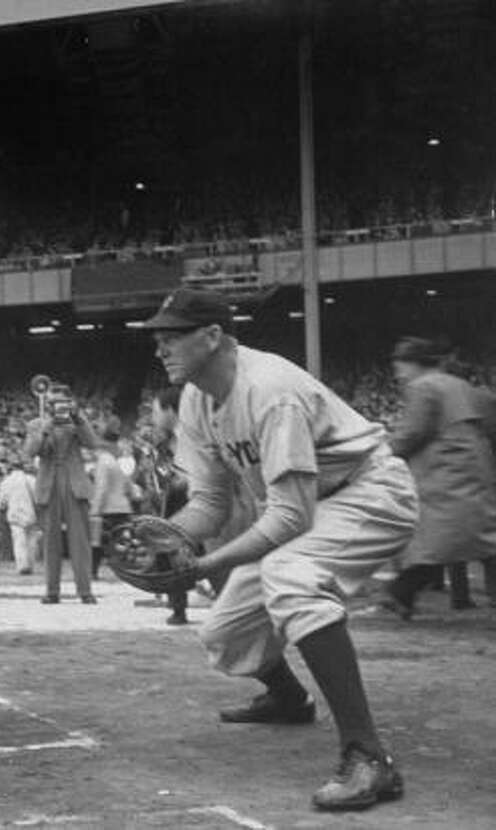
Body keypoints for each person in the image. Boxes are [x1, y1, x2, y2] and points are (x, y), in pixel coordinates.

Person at [140, 288, 418, 812]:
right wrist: (167, 536)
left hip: (370, 490)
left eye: (172, 335)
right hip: (320, 504)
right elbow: (211, 504)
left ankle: (368, 756)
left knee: (290, 574)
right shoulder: (198, 399)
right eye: (158, 337)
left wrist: (203, 564)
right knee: (224, 632)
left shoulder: (269, 388)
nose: (161, 347)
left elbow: (291, 516)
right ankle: (289, 698)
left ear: (213, 335)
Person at [380, 337, 496, 618]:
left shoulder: (423, 387)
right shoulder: (461, 385)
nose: (399, 372)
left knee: (435, 541)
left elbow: (413, 432)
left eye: (401, 364)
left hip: (444, 470)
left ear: (417, 363)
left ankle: (400, 592)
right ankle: (402, 593)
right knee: (483, 535)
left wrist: (382, 453)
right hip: (474, 463)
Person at [25, 384, 100, 604]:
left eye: (60, 402)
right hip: (48, 482)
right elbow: (30, 451)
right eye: (51, 402)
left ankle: (85, 590)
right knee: (50, 541)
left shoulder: (77, 422)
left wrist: (78, 418)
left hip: (74, 482)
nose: (55, 407)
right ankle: (51, 591)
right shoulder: (37, 424)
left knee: (80, 540)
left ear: (69, 403)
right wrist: (46, 427)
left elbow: (93, 443)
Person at [139, 386, 192, 624]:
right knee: (171, 554)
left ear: (171, 410)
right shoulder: (163, 443)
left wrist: (180, 480)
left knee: (186, 553)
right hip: (173, 504)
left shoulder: (192, 437)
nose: (153, 417)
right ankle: (178, 605)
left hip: (196, 506)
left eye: (156, 411)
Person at [89, 418, 135, 592]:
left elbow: (101, 488)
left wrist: (95, 510)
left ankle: (92, 572)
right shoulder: (115, 463)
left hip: (108, 508)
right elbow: (127, 486)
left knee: (97, 542)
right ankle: (125, 570)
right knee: (121, 541)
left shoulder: (103, 462)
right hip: (122, 506)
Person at [0, 460, 39, 575]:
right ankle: (31, 565)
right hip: (31, 513)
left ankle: (22, 565)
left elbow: (1, 503)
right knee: (31, 541)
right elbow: (38, 498)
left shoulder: (6, 482)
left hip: (15, 514)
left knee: (19, 541)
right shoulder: (31, 480)